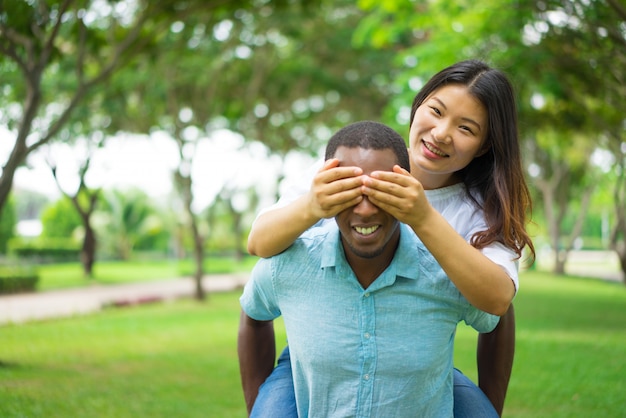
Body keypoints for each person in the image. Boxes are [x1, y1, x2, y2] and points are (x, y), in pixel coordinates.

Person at [245, 59, 535, 417]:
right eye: (436, 111)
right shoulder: (352, 165)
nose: (442, 133)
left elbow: (497, 302)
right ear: (417, 106)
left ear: (485, 145)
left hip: (416, 363)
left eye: (466, 128)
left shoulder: (482, 211)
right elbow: (259, 243)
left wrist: (422, 217)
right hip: (318, 353)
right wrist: (311, 206)